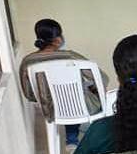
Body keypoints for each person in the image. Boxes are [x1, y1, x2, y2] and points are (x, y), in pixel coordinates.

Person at [19, 19, 109, 147]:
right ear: (57, 39)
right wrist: (93, 89)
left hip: (51, 110)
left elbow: (28, 94)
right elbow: (102, 78)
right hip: (79, 106)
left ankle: (72, 140)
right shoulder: (70, 56)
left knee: (62, 97)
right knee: (78, 94)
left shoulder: (27, 61)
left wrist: (45, 97)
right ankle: (82, 136)